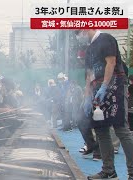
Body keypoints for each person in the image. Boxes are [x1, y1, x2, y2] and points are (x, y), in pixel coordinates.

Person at [77, 29, 133, 180]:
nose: (78, 36)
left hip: (114, 86)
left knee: (121, 129)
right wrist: (87, 96)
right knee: (100, 129)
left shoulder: (106, 39)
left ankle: (132, 172)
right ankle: (109, 170)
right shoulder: (89, 49)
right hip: (96, 89)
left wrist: (104, 86)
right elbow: (89, 74)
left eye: (78, 32)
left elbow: (111, 62)